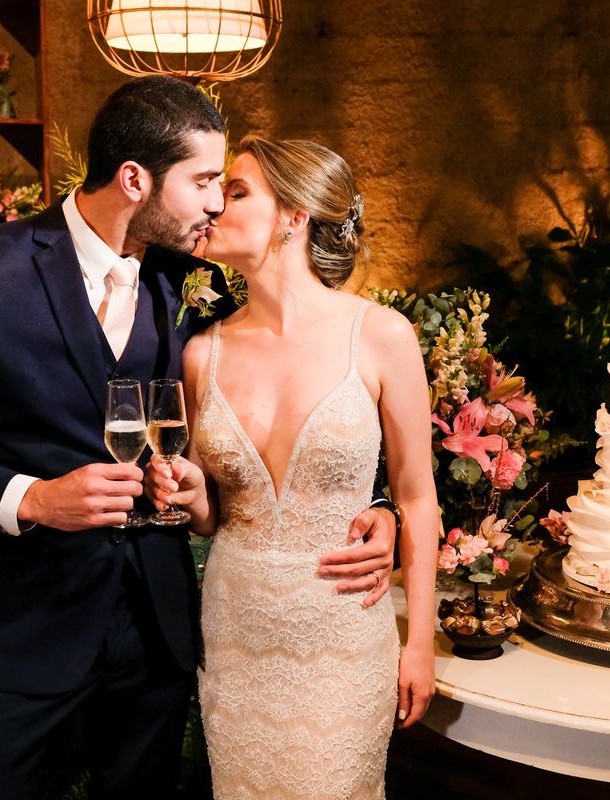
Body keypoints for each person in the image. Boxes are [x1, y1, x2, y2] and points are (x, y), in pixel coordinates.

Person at [0, 77, 398, 800]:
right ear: (134, 180)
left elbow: (300, 394)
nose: (217, 202)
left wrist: (378, 506)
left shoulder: (194, 282)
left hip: (155, 636)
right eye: (205, 181)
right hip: (25, 633)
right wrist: (32, 499)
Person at [145, 135, 438, 799]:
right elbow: (206, 516)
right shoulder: (202, 352)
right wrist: (188, 492)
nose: (215, 204)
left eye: (238, 190)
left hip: (342, 632)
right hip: (235, 635)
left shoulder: (382, 334)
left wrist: (420, 643)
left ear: (294, 216)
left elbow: (416, 496)